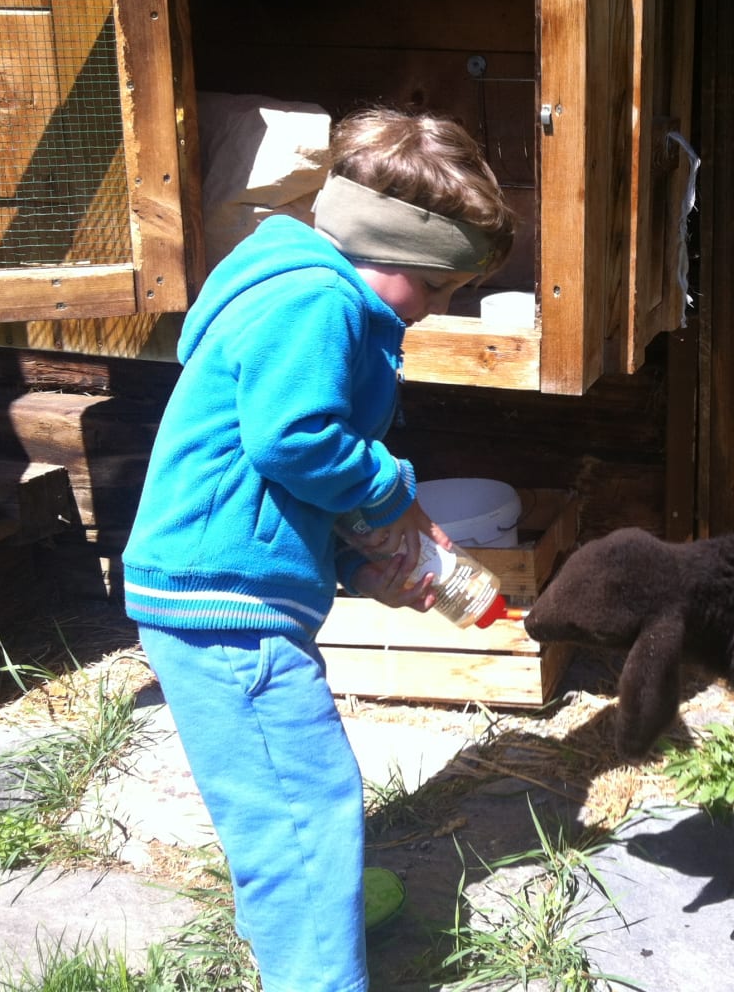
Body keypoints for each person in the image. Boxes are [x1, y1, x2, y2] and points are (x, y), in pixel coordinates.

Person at [121, 106, 515, 992]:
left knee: (276, 793)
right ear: (389, 251)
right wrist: (397, 499)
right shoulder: (319, 301)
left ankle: (305, 925)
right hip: (227, 603)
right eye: (438, 287)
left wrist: (359, 568)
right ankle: (315, 965)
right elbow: (296, 441)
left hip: (226, 584)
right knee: (301, 804)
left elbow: (270, 480)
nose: (436, 311)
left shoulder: (291, 284)